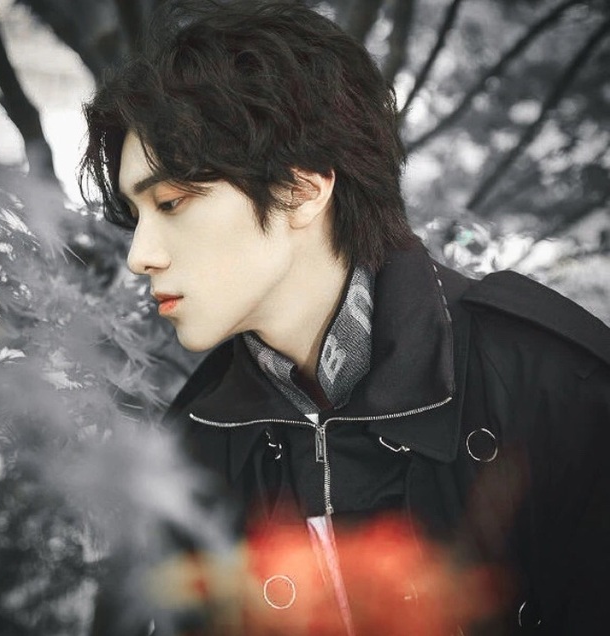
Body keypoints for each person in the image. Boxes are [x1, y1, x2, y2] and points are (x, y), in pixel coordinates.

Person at [79, 1, 610, 634]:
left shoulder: (553, 384)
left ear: (301, 189)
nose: (140, 255)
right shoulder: (194, 449)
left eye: (170, 202)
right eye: (136, 216)